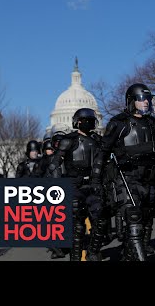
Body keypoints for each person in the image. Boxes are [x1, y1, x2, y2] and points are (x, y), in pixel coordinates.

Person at [90, 83, 155, 261]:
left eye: (147, 99)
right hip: (128, 179)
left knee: (145, 223)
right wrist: (96, 179)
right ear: (131, 101)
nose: (145, 103)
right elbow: (103, 152)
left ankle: (129, 255)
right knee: (134, 222)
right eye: (141, 99)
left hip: (151, 180)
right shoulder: (119, 124)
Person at [47, 108, 106, 261]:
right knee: (77, 228)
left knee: (101, 221)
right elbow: (54, 165)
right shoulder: (69, 140)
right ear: (78, 122)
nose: (89, 123)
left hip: (93, 186)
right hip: (74, 186)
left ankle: (93, 251)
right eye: (85, 120)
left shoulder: (97, 141)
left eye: (91, 120)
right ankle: (75, 258)